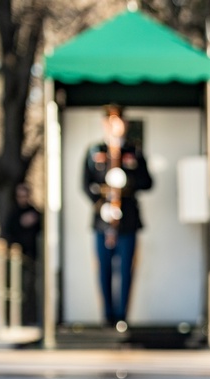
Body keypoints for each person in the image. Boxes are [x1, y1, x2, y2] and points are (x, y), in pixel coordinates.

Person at [82, 103, 153, 330]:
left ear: (125, 124)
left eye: (119, 121)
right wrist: (99, 205)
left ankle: (122, 315)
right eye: (110, 121)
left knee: (125, 269)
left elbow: (147, 182)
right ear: (105, 124)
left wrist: (128, 180)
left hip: (128, 219)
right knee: (103, 268)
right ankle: (107, 316)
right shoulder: (94, 151)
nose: (115, 126)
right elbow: (85, 184)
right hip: (103, 220)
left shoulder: (134, 151)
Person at [2, 182, 42, 326]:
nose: (22, 198)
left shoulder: (35, 212)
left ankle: (30, 318)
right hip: (17, 259)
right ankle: (15, 319)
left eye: (25, 195)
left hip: (33, 257)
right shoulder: (13, 214)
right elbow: (8, 234)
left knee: (32, 289)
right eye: (20, 196)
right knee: (17, 290)